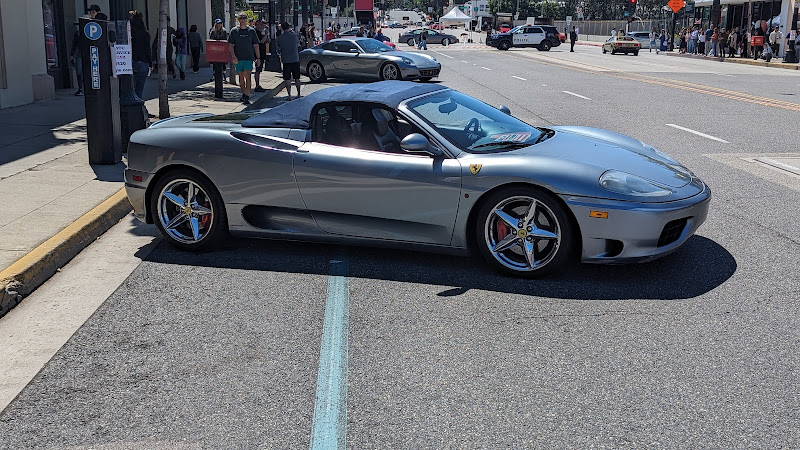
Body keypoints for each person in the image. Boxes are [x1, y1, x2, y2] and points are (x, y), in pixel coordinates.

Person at [228, 13, 260, 105]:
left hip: (249, 57)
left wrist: (258, 57)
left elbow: (256, 45)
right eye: (241, 18)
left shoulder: (251, 31)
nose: (243, 20)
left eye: (244, 18)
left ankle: (247, 95)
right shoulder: (234, 31)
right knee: (241, 77)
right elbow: (230, 45)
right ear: (238, 19)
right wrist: (233, 56)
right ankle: (243, 93)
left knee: (248, 76)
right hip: (238, 58)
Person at [276, 22, 301, 101]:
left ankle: (289, 95)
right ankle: (298, 93)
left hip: (286, 60)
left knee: (287, 78)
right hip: (295, 58)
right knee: (297, 77)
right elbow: (298, 44)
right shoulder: (294, 36)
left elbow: (278, 49)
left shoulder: (280, 38)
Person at [130, 12, 152, 100]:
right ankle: (138, 106)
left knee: (131, 87)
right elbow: (147, 50)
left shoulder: (130, 34)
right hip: (143, 62)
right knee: (139, 88)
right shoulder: (145, 34)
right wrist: (150, 63)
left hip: (131, 62)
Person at [209, 18, 228, 83]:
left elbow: (226, 40)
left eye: (220, 23)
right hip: (215, 49)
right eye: (218, 24)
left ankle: (224, 76)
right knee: (215, 63)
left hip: (222, 49)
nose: (219, 25)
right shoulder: (213, 31)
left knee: (223, 63)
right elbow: (211, 40)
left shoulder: (224, 31)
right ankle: (214, 75)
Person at [254, 20, 269, 92]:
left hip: (262, 52)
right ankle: (257, 85)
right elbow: (261, 42)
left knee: (259, 70)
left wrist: (267, 35)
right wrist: (265, 35)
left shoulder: (261, 32)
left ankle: (258, 84)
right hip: (257, 53)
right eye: (261, 24)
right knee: (257, 69)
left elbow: (267, 41)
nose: (263, 26)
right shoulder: (255, 32)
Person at [69, 25, 84, 96]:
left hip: (86, 54)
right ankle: (81, 88)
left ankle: (82, 88)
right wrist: (72, 55)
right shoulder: (78, 33)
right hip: (80, 54)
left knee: (81, 72)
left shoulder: (91, 31)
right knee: (79, 72)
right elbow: (74, 44)